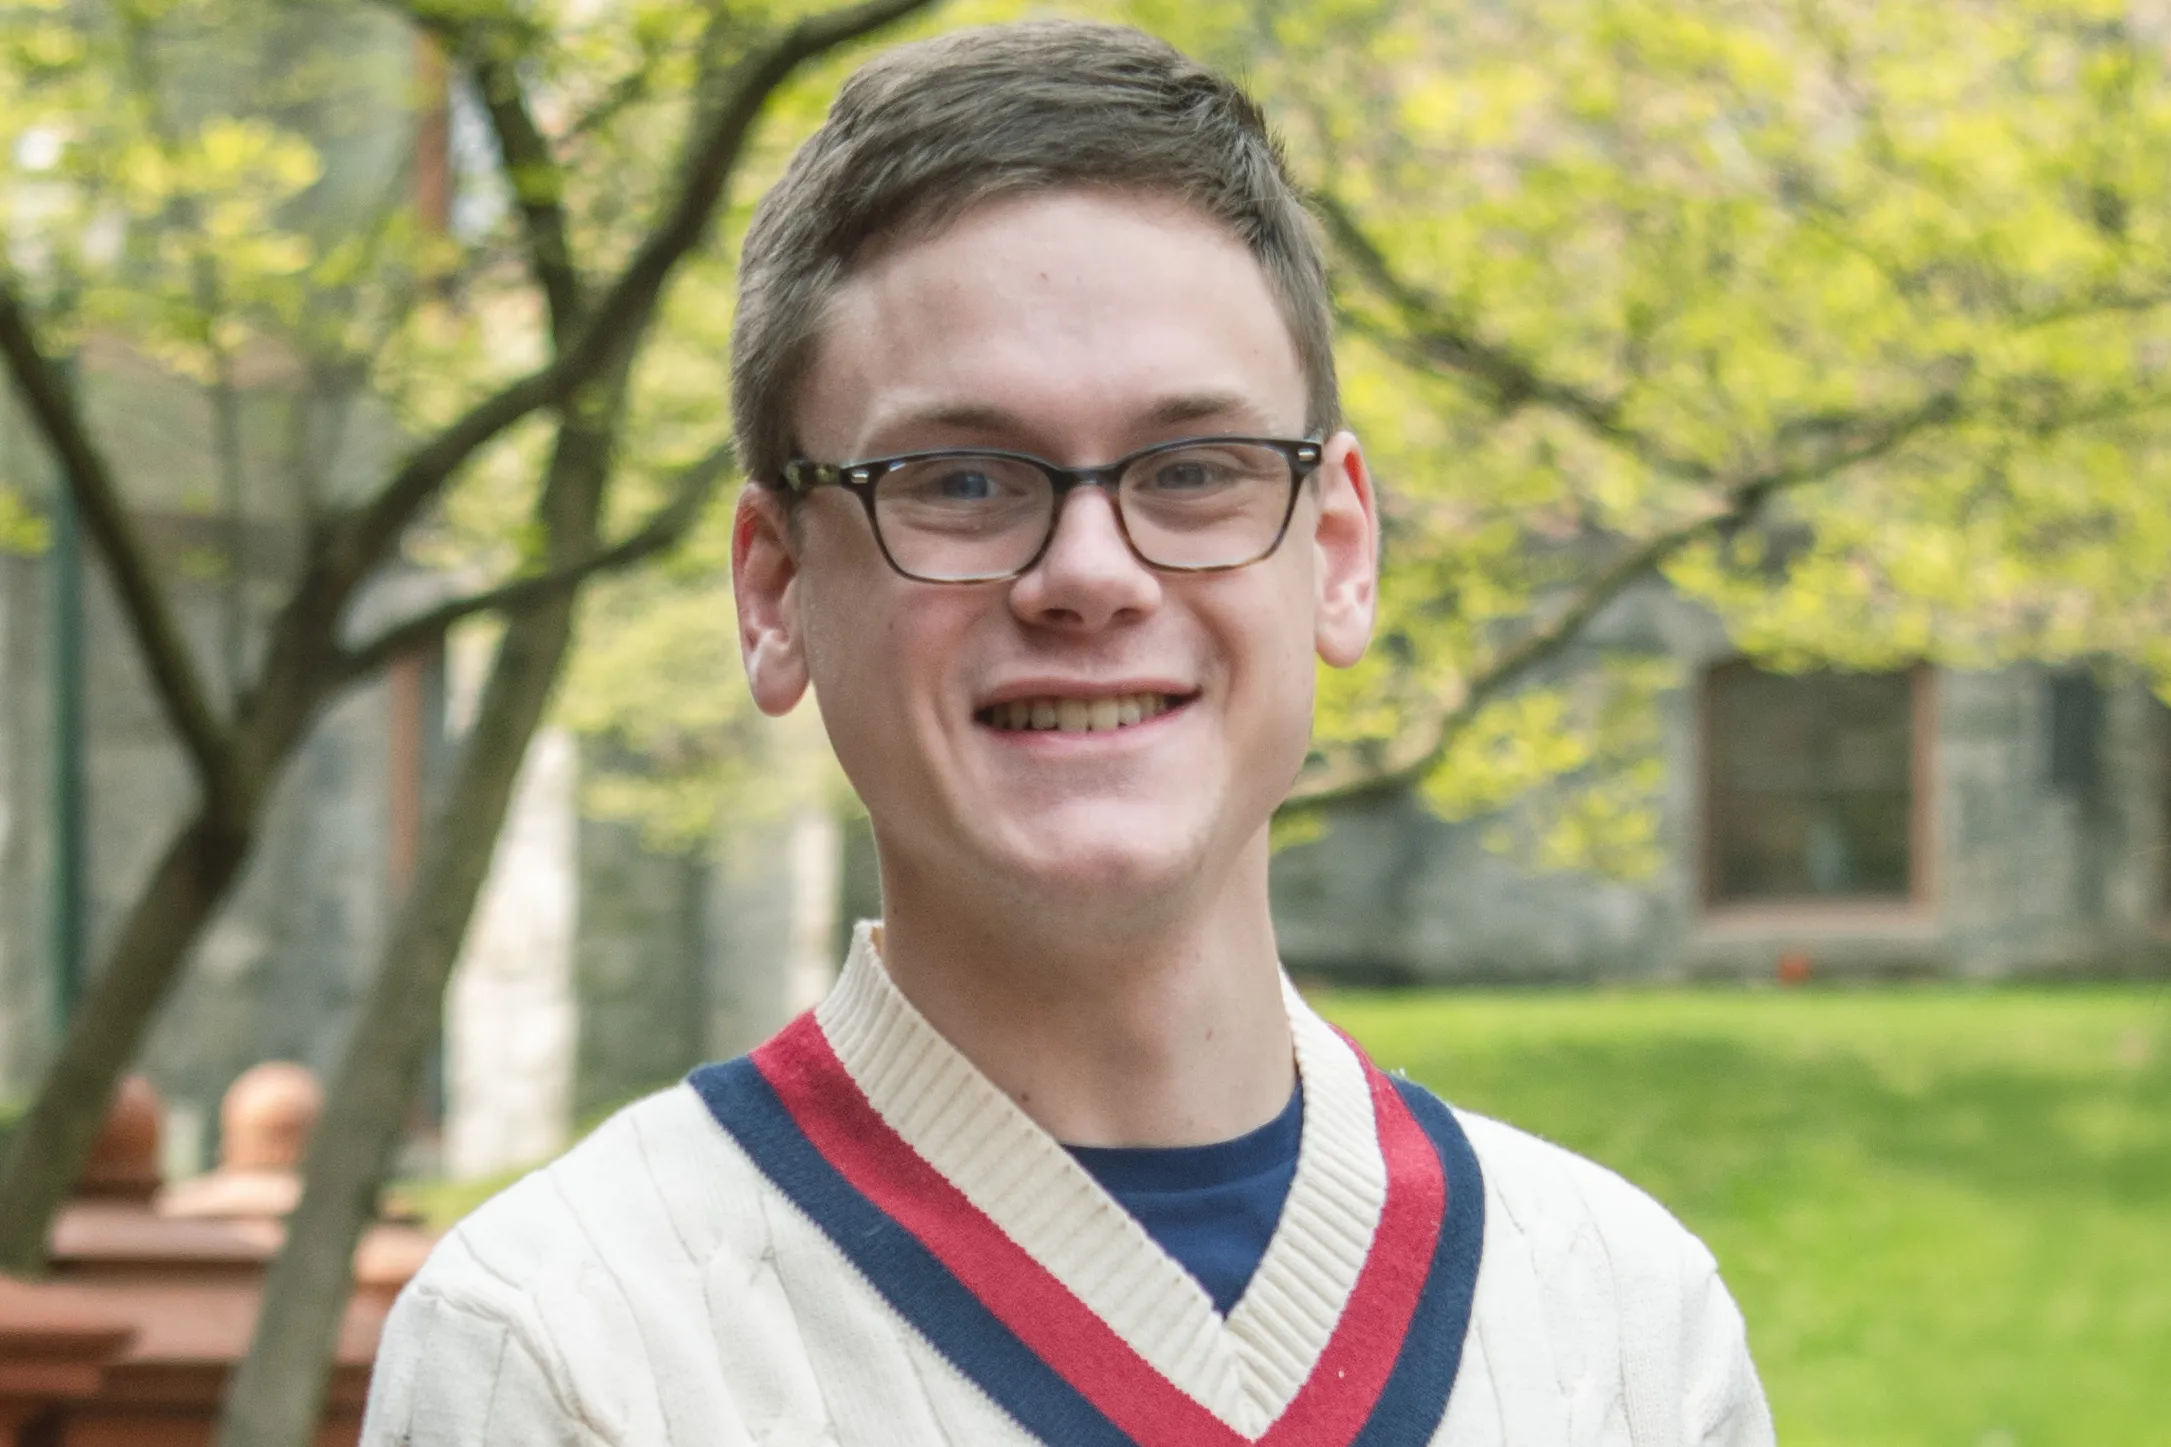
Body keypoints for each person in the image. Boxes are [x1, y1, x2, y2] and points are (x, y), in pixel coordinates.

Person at [362, 21, 1775, 1446]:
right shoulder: (564, 1343)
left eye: (1193, 471)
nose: (1090, 574)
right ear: (776, 587)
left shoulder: (1618, 1329)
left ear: (1336, 552)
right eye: (962, 480)